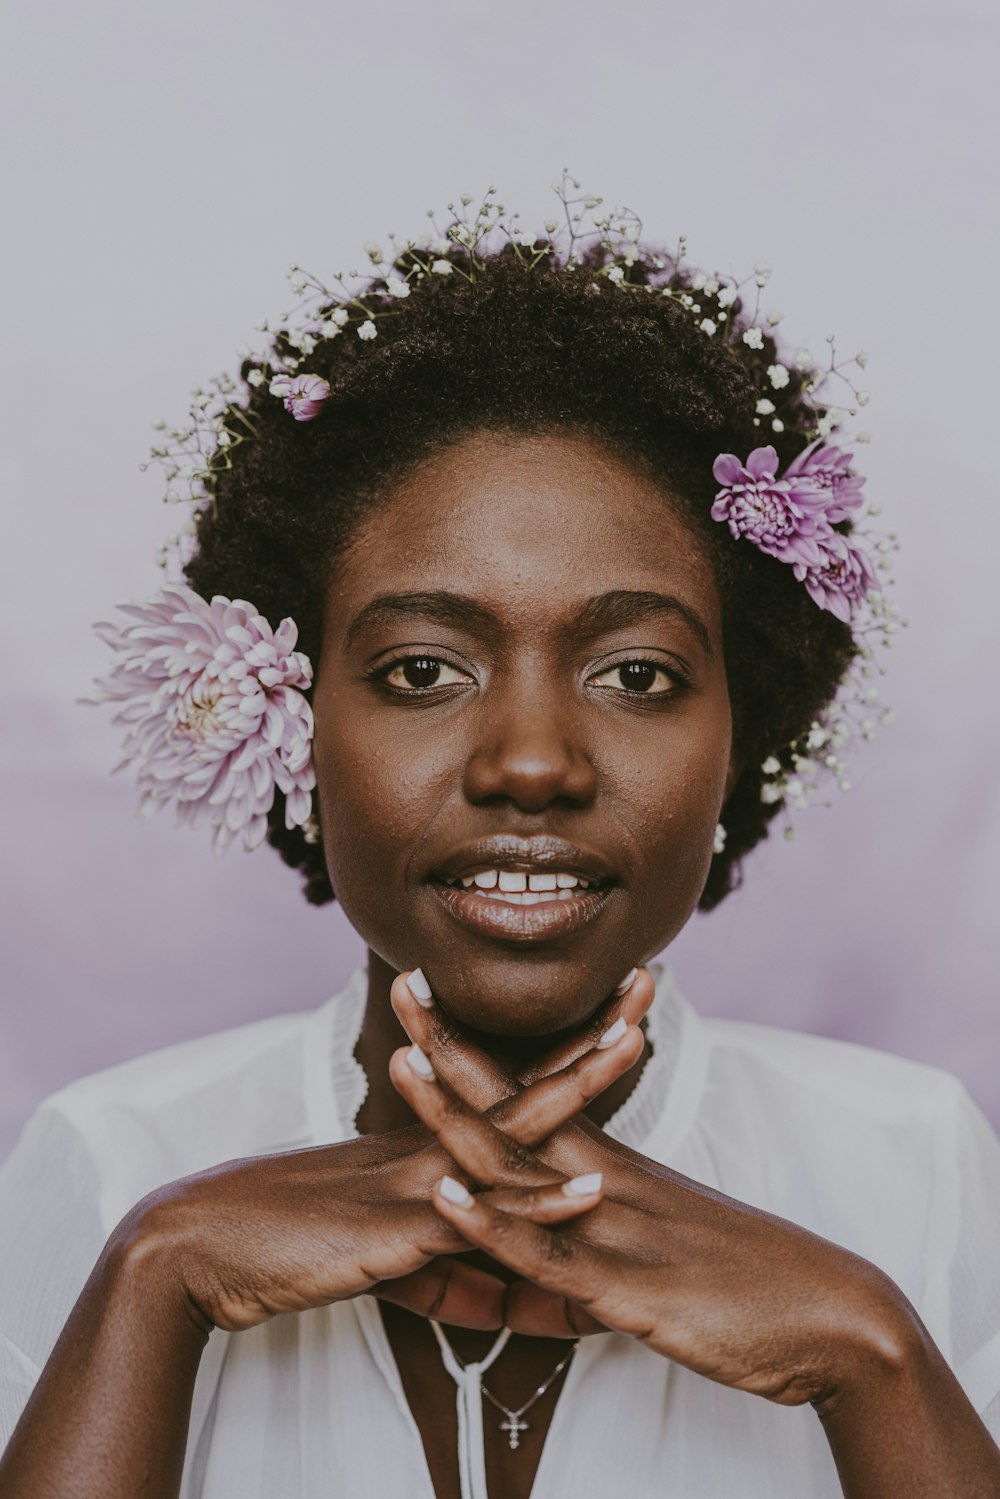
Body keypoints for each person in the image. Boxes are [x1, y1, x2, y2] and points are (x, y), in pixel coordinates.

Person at [2, 185, 999, 1499]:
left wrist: (876, 1365)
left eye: (637, 674)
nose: (531, 761)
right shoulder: (113, 1155)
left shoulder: (908, 1157)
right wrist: (153, 1283)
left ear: (742, 727)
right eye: (423, 669)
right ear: (293, 713)